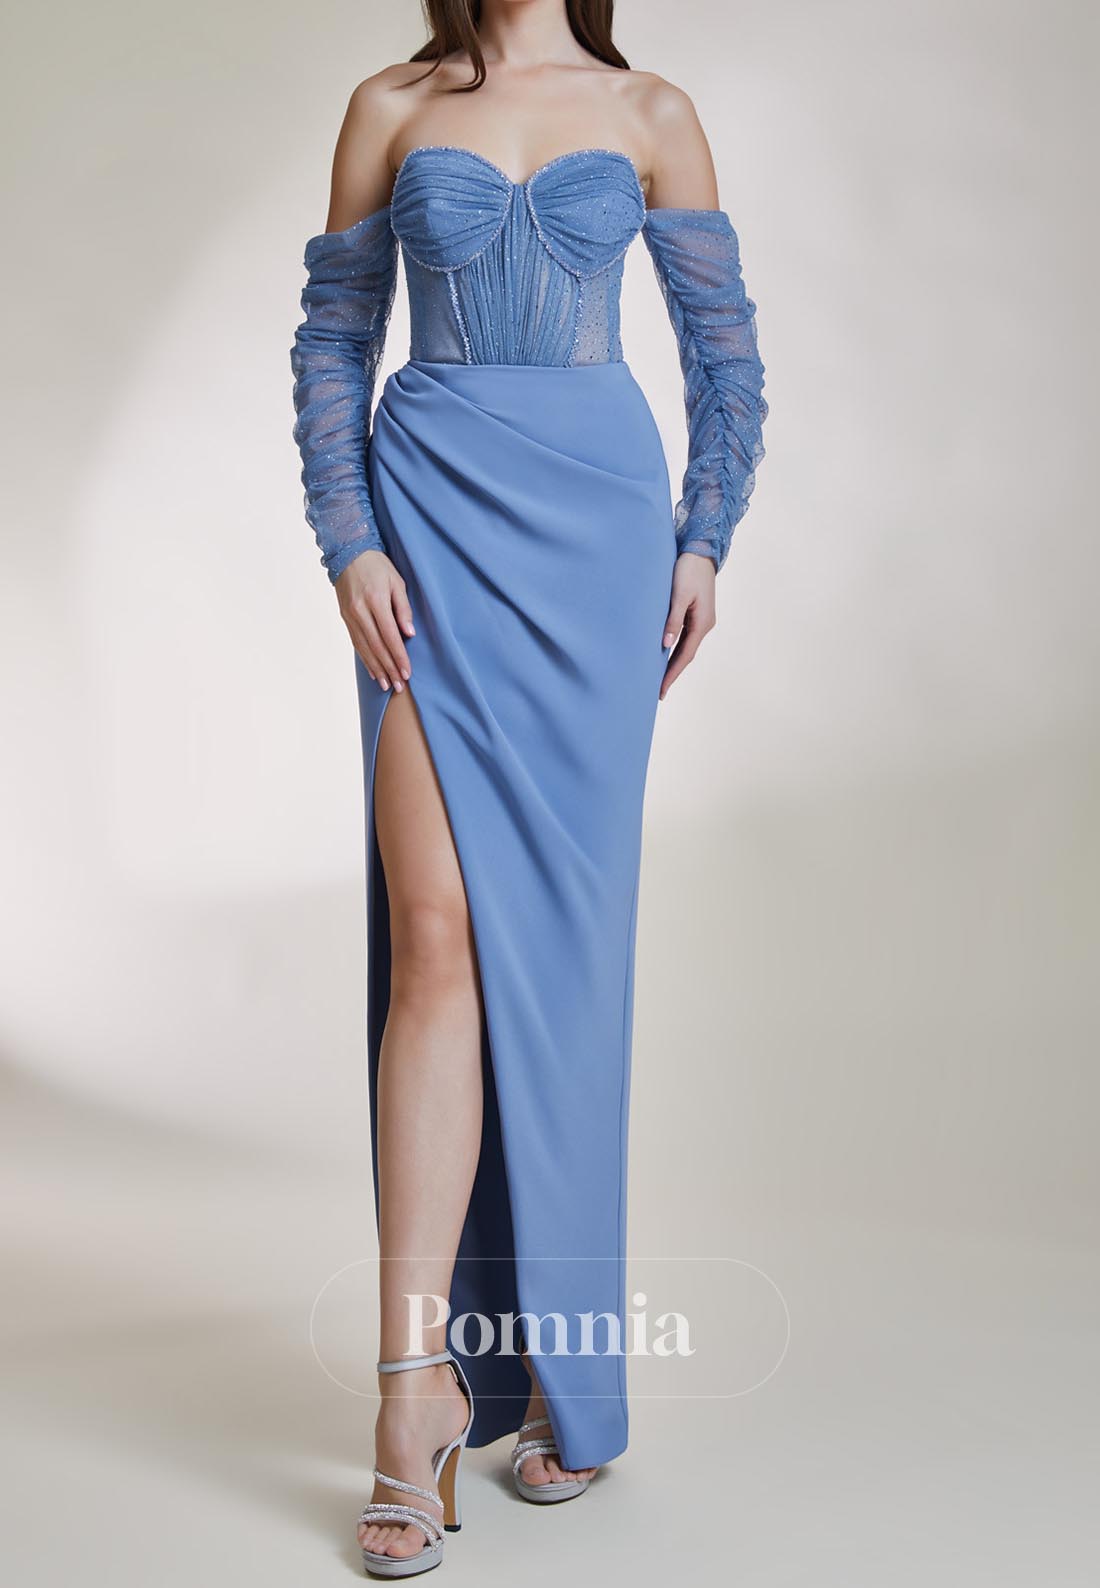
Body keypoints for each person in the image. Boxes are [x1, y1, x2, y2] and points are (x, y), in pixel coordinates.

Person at [289, 0, 766, 1574]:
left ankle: (569, 1368)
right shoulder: (388, 104)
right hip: (429, 521)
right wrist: (350, 542)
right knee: (434, 942)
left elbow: (726, 360)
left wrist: (702, 540)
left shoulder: (654, 113)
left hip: (597, 544)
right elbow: (333, 344)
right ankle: (412, 1391)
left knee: (564, 968)